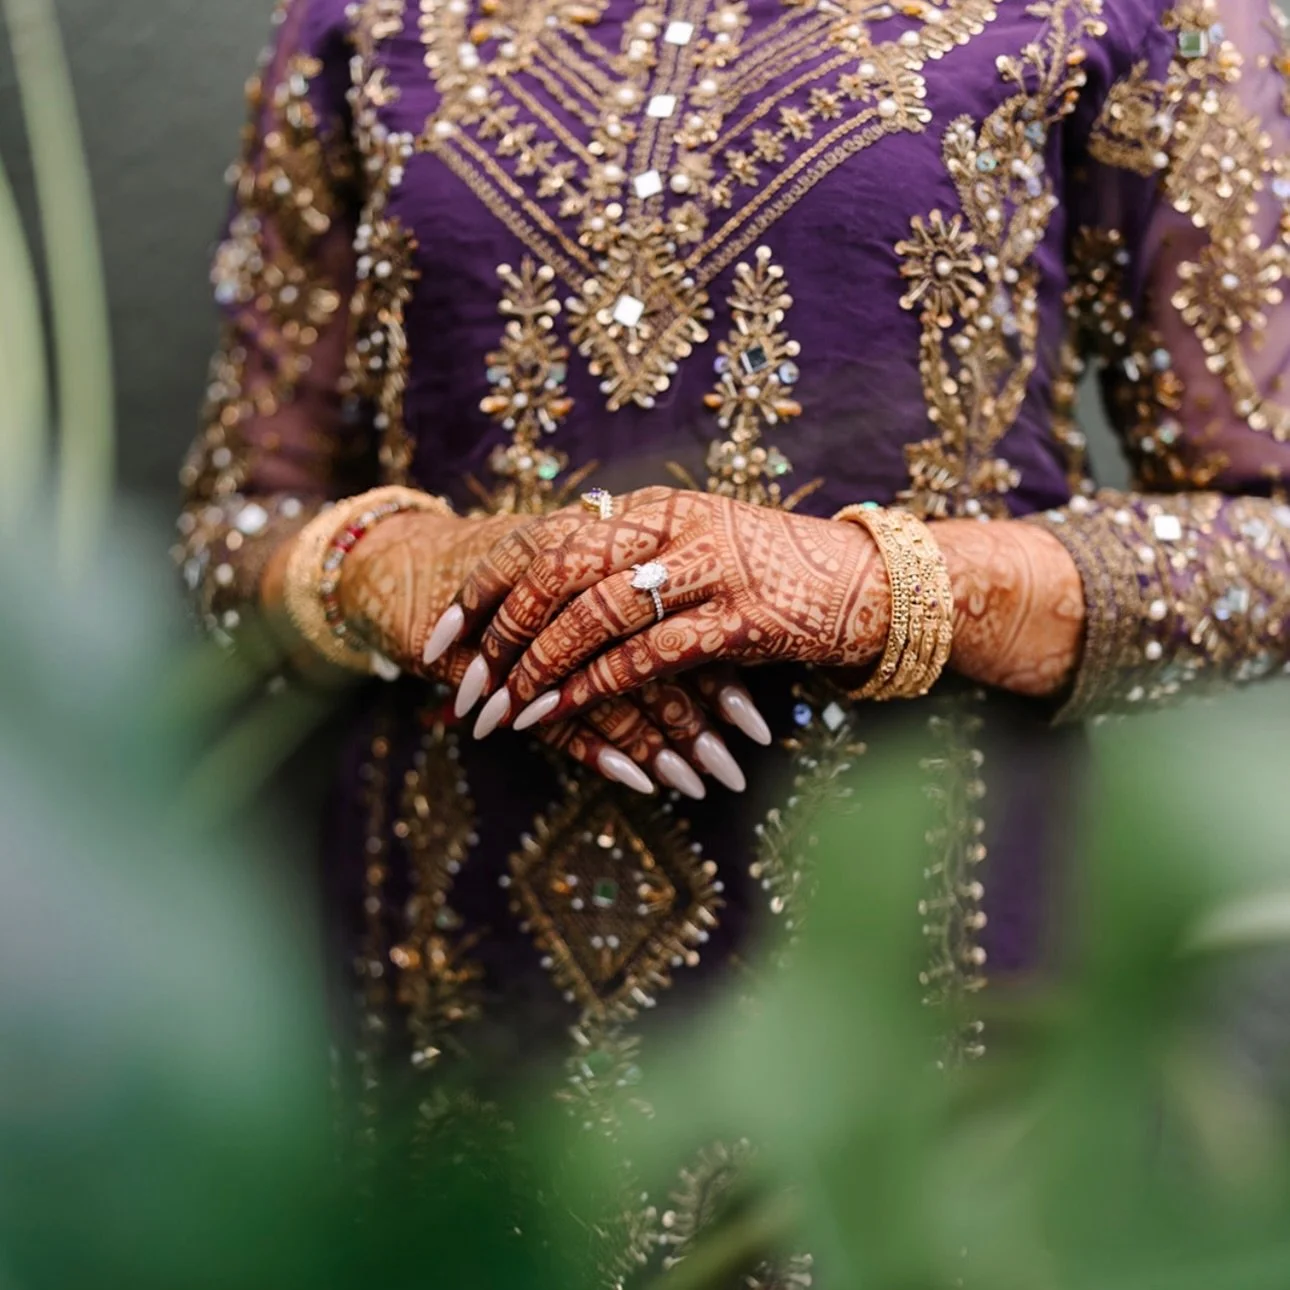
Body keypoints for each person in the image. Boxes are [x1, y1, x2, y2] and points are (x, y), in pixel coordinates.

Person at [176, 0, 1290, 1274]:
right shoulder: (360, 20)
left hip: (910, 967)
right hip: (456, 984)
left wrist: (875, 587)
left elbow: (1271, 537)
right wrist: (403, 568)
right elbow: (232, 520)